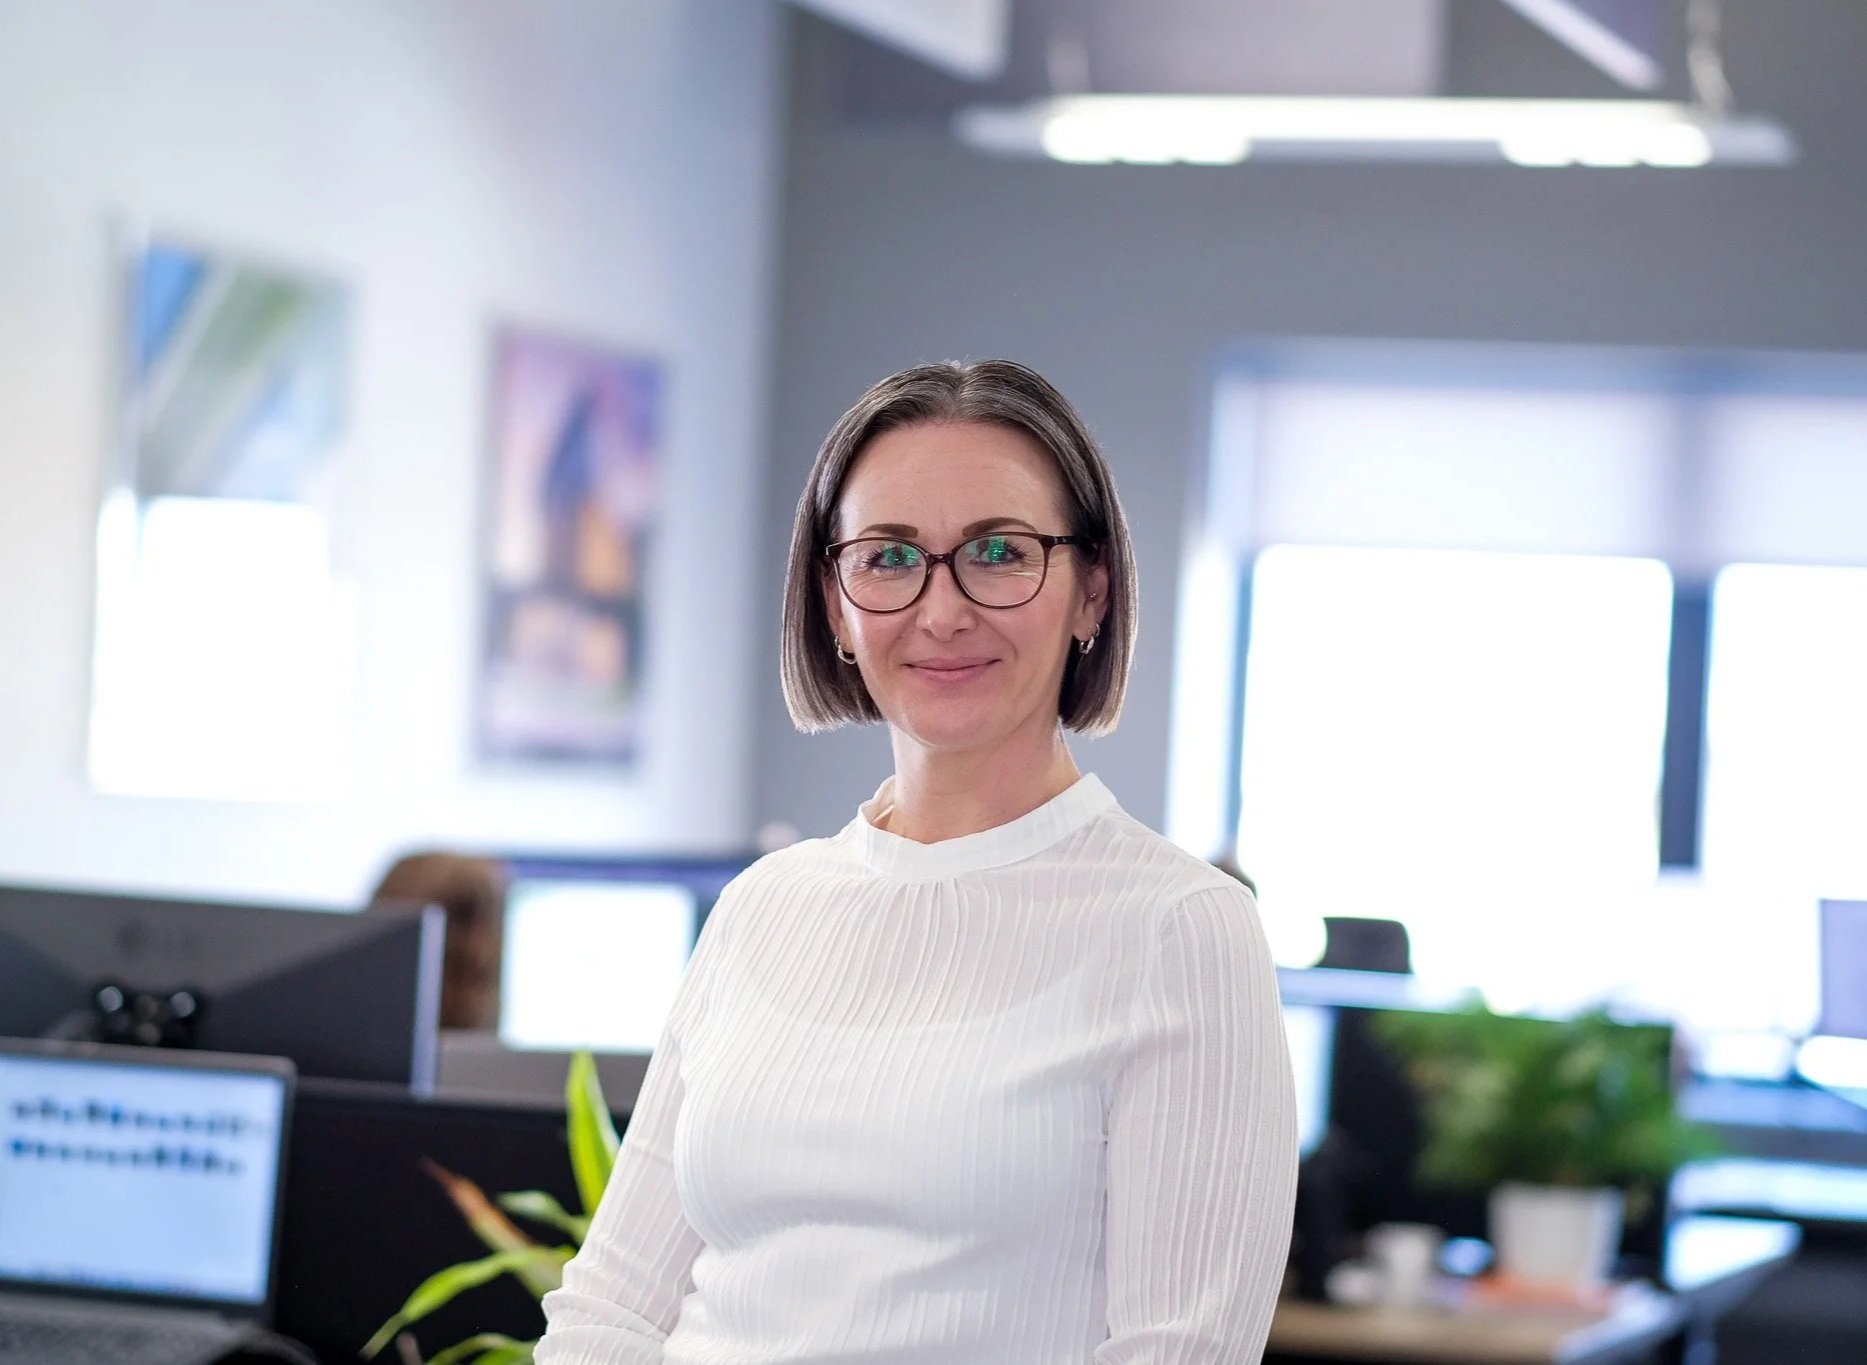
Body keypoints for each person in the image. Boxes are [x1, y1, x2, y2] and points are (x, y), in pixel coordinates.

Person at [537, 360, 1298, 1364]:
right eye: (889, 557)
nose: (941, 611)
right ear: (836, 603)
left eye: (998, 551)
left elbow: (1179, 1351)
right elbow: (612, 1311)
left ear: (1092, 594)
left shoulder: (1178, 929)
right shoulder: (765, 905)